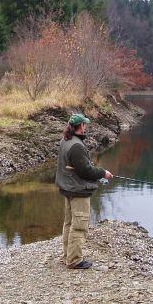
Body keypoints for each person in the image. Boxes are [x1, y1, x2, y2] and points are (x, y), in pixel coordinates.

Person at [55, 113, 113, 269]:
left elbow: (77, 168)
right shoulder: (76, 146)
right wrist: (103, 173)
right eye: (85, 124)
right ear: (80, 126)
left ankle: (68, 255)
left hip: (68, 188)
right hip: (78, 191)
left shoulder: (65, 141)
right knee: (79, 225)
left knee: (69, 223)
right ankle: (74, 260)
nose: (86, 127)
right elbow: (86, 171)